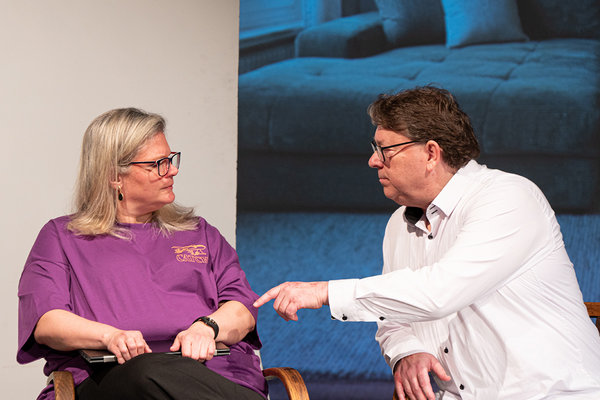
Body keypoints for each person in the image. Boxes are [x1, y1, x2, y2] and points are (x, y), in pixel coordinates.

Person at [254, 86, 600, 399]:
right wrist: (406, 351)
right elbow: (393, 316)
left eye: (385, 149)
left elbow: (439, 292)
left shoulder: (508, 197)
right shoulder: (399, 222)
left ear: (431, 153)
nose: (374, 160)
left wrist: (324, 292)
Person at [18, 108, 267, 400]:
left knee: (159, 374)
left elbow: (243, 308)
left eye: (171, 159)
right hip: (111, 377)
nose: (172, 170)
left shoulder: (201, 233)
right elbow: (46, 321)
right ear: (114, 176)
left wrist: (208, 327)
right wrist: (110, 336)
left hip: (217, 375)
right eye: (158, 164)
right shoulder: (61, 237)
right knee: (145, 371)